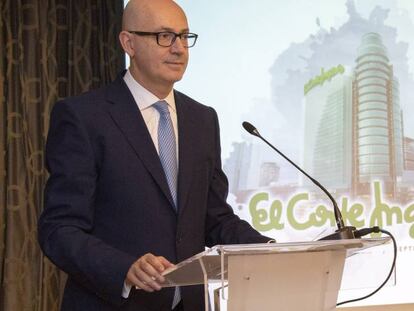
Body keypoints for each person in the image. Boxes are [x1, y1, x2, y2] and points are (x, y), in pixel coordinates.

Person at [38, 0, 272, 310]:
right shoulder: (84, 117)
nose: (179, 49)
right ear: (128, 43)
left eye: (184, 36)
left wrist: (270, 249)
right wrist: (124, 267)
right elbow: (60, 229)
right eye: (164, 36)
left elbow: (213, 217)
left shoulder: (202, 119)